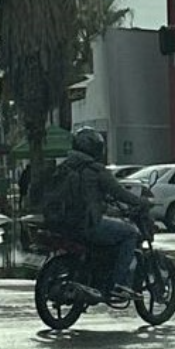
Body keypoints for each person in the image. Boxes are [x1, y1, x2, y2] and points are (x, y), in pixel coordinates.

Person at [42, 127, 150, 302]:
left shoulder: (65, 167)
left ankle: (97, 276)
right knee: (130, 233)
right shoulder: (96, 171)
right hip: (86, 225)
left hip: (63, 224)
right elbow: (119, 193)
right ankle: (118, 284)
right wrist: (142, 202)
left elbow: (90, 198)